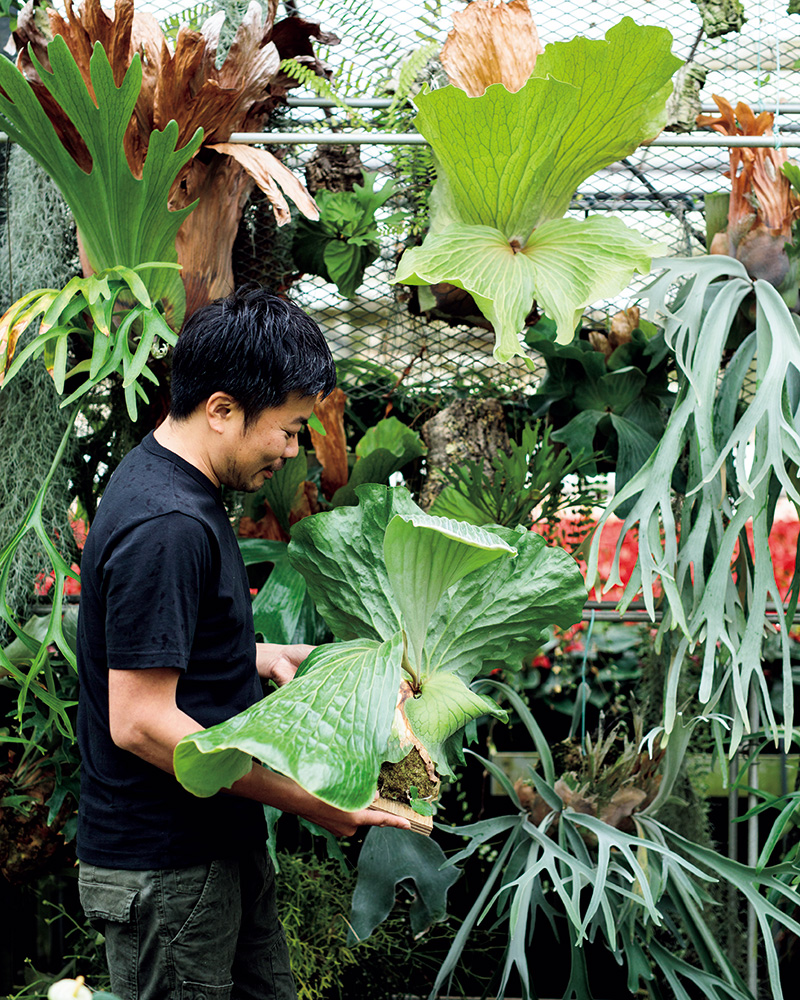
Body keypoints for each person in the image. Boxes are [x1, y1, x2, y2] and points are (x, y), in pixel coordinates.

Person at [75, 287, 409, 1000]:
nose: (293, 451)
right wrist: (310, 800)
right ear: (222, 409)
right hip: (168, 867)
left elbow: (155, 649)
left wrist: (266, 656)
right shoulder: (166, 523)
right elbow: (140, 721)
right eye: (288, 430)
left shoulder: (176, 488)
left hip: (211, 845)